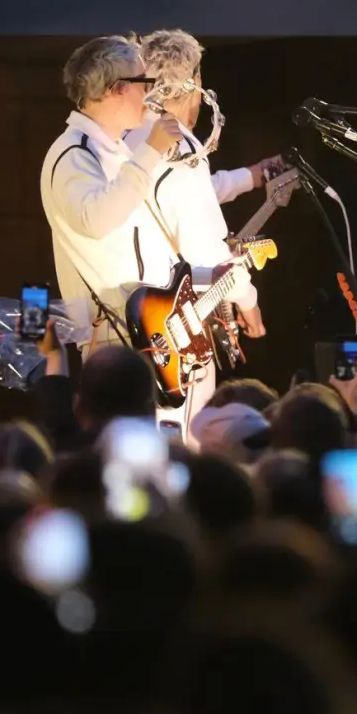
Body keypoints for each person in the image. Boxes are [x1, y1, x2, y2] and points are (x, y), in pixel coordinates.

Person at [126, 30, 292, 437]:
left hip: (133, 315)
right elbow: (211, 255)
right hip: (175, 325)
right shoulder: (178, 145)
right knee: (183, 443)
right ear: (189, 85)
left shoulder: (129, 138)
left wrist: (252, 177)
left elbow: (186, 195)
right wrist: (248, 300)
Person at [40, 35, 184, 437]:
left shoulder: (110, 150)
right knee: (121, 447)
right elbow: (97, 220)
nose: (149, 94)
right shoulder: (73, 154)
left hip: (140, 329)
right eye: (143, 83)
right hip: (114, 333)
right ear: (116, 88)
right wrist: (150, 152)